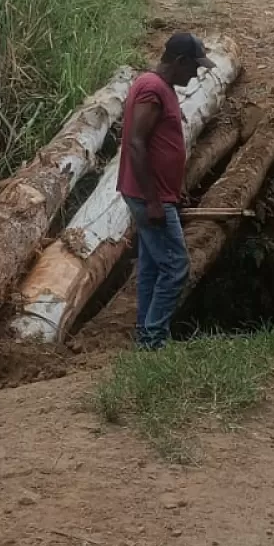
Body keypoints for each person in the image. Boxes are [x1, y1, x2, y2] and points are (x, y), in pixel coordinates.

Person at [117, 33, 215, 350]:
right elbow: (136, 142)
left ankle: (146, 338)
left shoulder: (163, 89)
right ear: (179, 62)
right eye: (194, 67)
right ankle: (153, 339)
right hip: (149, 197)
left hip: (157, 194)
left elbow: (160, 146)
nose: (196, 74)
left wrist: (174, 190)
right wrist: (155, 201)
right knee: (176, 268)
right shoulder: (152, 88)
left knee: (151, 268)